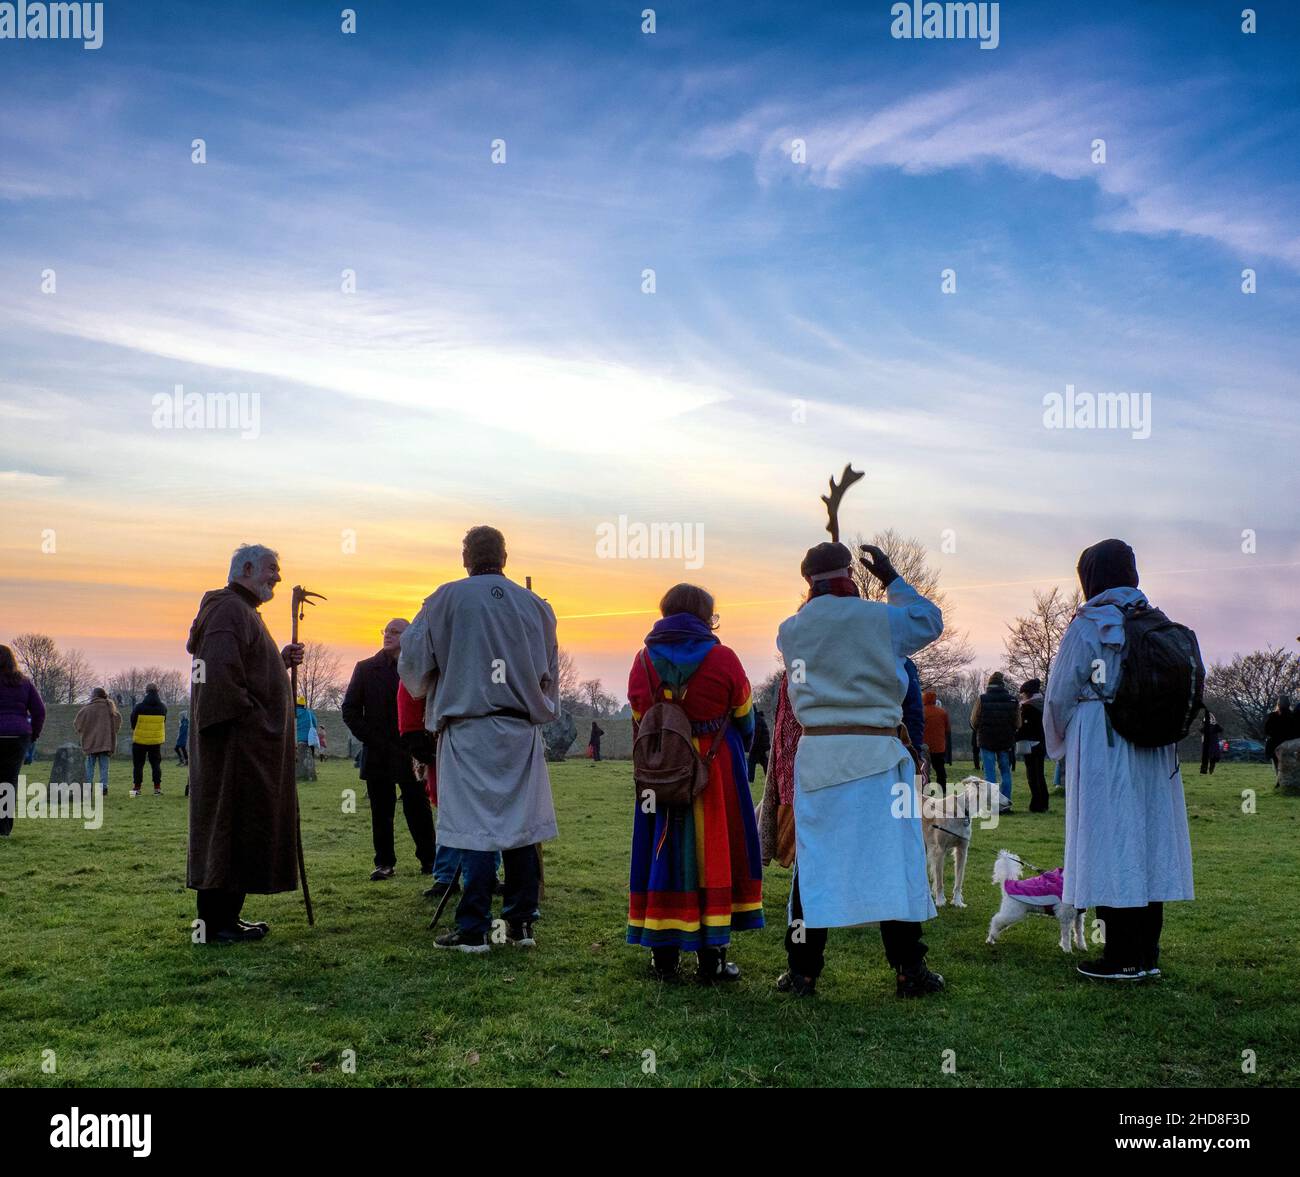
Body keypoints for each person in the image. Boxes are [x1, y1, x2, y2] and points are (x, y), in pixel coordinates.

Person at [775, 542, 945, 999]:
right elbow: (930, 620)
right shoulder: (881, 619)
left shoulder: (790, 630)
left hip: (822, 757)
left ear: (807, 580)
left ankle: (803, 972)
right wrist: (892, 580)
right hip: (877, 755)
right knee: (893, 860)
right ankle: (909, 969)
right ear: (850, 573)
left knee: (814, 866)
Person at [399, 525, 559, 952]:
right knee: (521, 826)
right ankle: (521, 923)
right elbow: (548, 675)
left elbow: (412, 666)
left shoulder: (443, 600)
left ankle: (474, 929)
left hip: (469, 727)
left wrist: (444, 676)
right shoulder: (536, 608)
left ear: (465, 557)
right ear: (504, 557)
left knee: (473, 828)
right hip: (519, 729)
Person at [1044, 538, 1194, 981]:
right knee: (1147, 840)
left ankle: (1121, 955)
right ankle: (1146, 952)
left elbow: (1058, 695)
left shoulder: (1090, 623)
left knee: (1109, 841)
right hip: (1154, 749)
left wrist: (1061, 745)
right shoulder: (1155, 621)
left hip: (1104, 739)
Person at [626, 583, 763, 983]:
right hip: (714, 769)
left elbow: (640, 718)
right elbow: (745, 717)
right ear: (707, 615)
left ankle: (663, 957)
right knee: (715, 854)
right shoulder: (724, 658)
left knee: (662, 852)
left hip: (661, 771)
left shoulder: (643, 660)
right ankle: (713, 958)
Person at [186, 543, 304, 944]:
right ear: (247, 568)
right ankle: (212, 925)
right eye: (272, 568)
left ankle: (226, 920)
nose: (278, 577)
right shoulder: (227, 611)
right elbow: (219, 679)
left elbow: (245, 668)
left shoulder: (243, 613)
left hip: (246, 746)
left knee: (240, 827)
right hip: (236, 746)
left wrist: (278, 661)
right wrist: (255, 722)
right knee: (226, 825)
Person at [342, 619, 437, 882]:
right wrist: (374, 740)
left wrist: (422, 743)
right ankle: (384, 863)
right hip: (378, 752)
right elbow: (350, 710)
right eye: (386, 631)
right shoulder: (365, 669)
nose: (389, 635)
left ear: (408, 637)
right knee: (381, 811)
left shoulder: (418, 670)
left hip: (412, 752)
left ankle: (430, 860)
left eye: (396, 632)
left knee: (418, 808)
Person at [0, 645, 45, 838]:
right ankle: (4, 830)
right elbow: (39, 711)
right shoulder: (25, 683)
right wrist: (33, 735)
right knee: (8, 783)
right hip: (18, 737)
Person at [971, 671, 1018, 813]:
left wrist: (979, 729)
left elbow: (974, 720)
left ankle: (992, 806)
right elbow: (1018, 723)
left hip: (986, 740)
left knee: (990, 773)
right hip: (1005, 741)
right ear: (1003, 683)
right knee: (1005, 772)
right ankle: (1005, 805)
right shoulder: (1012, 700)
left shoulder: (982, 699)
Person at [75, 687, 122, 797]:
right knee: (104, 767)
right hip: (106, 743)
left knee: (89, 767)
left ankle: (88, 789)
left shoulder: (87, 709)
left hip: (90, 743)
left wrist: (84, 732)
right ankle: (103, 788)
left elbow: (77, 724)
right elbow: (117, 722)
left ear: (94, 696)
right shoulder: (110, 707)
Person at [129, 684, 167, 797]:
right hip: (155, 741)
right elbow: (163, 722)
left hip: (139, 740)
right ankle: (157, 789)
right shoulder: (163, 707)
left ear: (146, 692)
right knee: (156, 764)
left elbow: (133, 722)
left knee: (138, 765)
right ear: (157, 691)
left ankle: (136, 789)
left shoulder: (139, 707)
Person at [1017, 678, 1048, 812]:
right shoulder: (1042, 705)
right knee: (1039, 774)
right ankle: (1043, 802)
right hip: (1041, 742)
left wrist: (1015, 736)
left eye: (1022, 693)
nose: (1021, 696)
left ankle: (1036, 804)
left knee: (1032, 776)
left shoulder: (1028, 708)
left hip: (1030, 744)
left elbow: (1024, 728)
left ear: (1027, 693)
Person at [922, 690, 951, 793]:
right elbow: (948, 729)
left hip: (924, 746)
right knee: (940, 769)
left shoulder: (921, 711)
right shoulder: (942, 712)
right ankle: (942, 788)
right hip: (939, 746)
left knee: (925, 769)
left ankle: (926, 789)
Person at [1264, 698, 1293, 774]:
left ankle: (1278, 777)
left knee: (1276, 762)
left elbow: (1267, 730)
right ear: (1289, 704)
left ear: (1278, 704)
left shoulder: (1272, 716)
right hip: (1289, 742)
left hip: (1275, 743)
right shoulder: (1293, 716)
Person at [748, 707, 771, 785]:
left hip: (759, 745)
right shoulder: (759, 718)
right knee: (764, 761)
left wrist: (752, 746)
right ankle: (769, 776)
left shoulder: (756, 719)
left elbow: (756, 735)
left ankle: (750, 780)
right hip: (763, 745)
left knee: (751, 761)